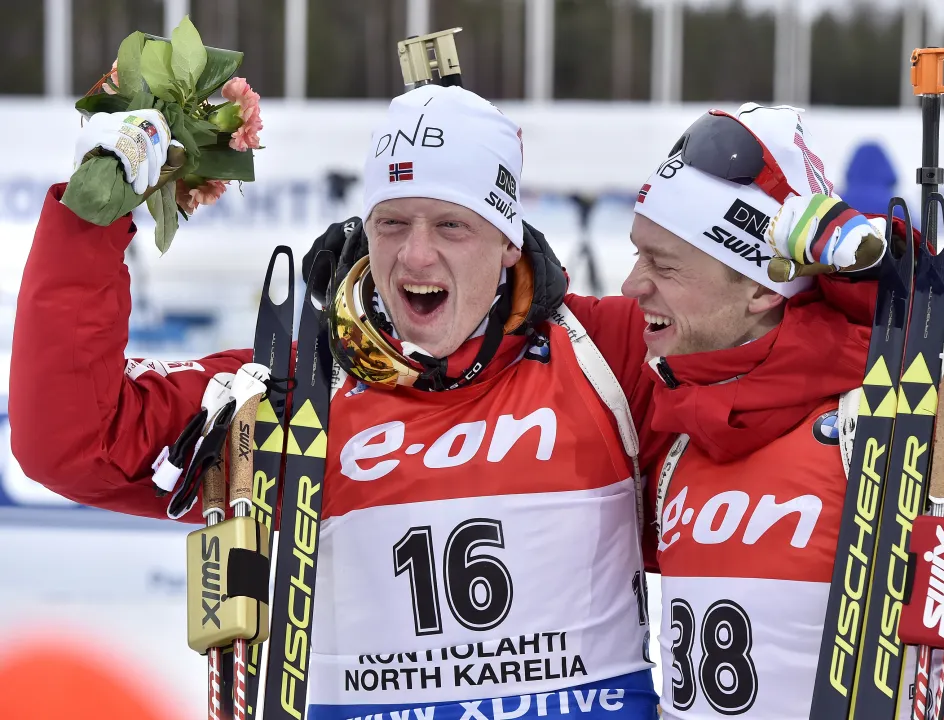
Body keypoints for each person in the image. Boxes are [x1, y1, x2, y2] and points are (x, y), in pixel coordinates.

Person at [10, 85, 662, 719]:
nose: (415, 253)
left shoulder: (607, 355)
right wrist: (94, 213)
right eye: (392, 222)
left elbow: (753, 386)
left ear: (507, 240)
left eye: (452, 226)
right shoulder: (294, 390)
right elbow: (75, 441)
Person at [609, 104, 944, 719]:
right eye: (639, 255)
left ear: (760, 287)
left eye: (664, 265)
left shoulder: (901, 429)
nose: (631, 285)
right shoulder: (673, 422)